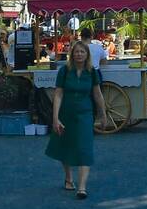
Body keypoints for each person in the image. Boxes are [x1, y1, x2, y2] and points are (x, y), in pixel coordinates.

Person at [45, 41, 107, 198]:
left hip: (85, 113)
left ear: (87, 55)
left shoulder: (92, 72)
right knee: (65, 144)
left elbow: (97, 94)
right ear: (72, 54)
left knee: (85, 147)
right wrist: (55, 117)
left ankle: (82, 187)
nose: (79, 54)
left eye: (82, 52)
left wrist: (103, 113)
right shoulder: (64, 71)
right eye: (76, 52)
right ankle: (68, 177)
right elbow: (58, 94)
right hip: (66, 111)